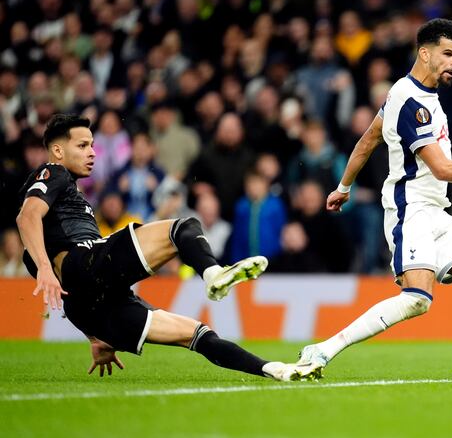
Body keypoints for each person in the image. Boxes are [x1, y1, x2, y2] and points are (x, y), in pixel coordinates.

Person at [295, 19, 452, 381]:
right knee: (418, 299)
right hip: (410, 211)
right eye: (448, 54)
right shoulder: (411, 102)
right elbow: (442, 168)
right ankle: (322, 349)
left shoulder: (413, 95)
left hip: (435, 213)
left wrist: (343, 187)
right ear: (425, 53)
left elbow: (369, 140)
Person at [16, 114, 302, 381]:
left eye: (92, 144)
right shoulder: (54, 172)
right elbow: (27, 216)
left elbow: (73, 293)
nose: (92, 152)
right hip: (90, 263)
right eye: (82, 145)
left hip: (94, 302)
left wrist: (95, 337)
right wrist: (45, 268)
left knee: (197, 335)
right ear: (57, 151)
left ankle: (274, 370)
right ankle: (214, 275)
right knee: (183, 228)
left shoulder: (60, 210)